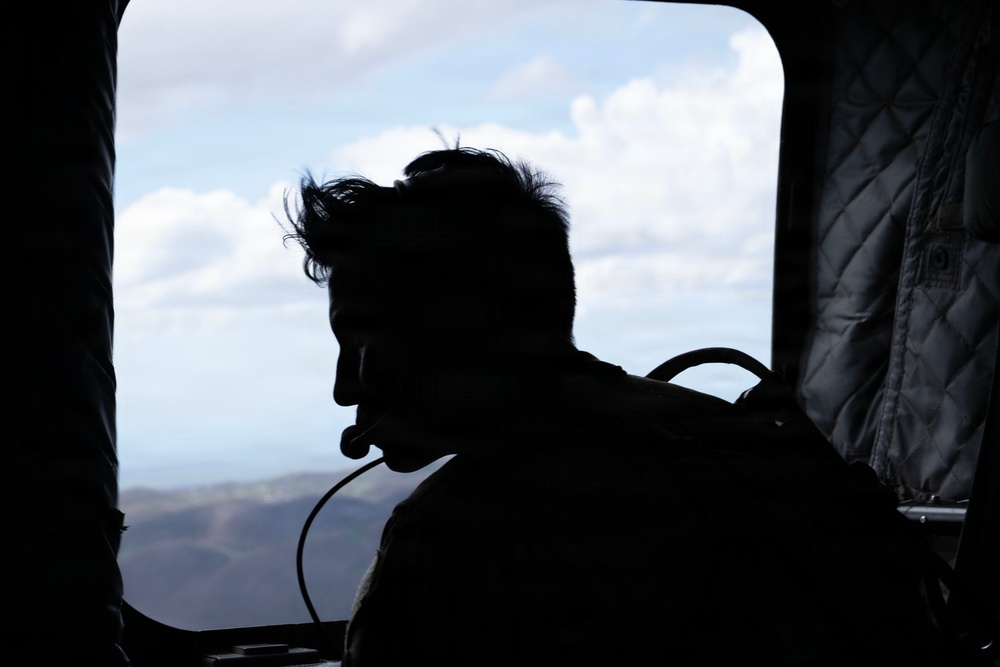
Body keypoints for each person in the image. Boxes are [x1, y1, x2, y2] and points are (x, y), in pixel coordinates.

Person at [285, 147, 972, 666]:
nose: (347, 387)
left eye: (359, 340)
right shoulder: (754, 442)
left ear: (452, 328)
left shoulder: (453, 539)